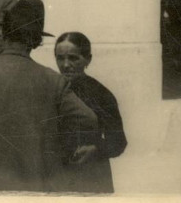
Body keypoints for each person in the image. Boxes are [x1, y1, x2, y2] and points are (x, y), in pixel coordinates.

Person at [0, 0, 99, 192]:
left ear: (3, 34)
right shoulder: (53, 80)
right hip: (33, 186)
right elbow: (89, 120)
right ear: (35, 41)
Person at [53, 31, 127, 193]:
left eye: (73, 58)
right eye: (60, 58)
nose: (65, 64)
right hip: (57, 175)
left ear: (88, 59)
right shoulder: (50, 90)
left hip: (91, 175)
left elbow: (119, 142)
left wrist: (96, 149)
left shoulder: (101, 94)